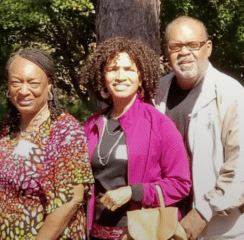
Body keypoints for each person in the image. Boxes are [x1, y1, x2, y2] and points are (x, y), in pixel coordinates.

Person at [155, 16, 244, 239]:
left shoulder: (234, 97)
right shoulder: (157, 91)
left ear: (208, 48)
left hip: (225, 230)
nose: (184, 52)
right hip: (168, 226)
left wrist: (204, 212)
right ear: (166, 51)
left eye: (193, 45)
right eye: (176, 46)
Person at [81, 37, 192, 240]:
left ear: (141, 78)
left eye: (129, 69)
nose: (120, 76)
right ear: (103, 77)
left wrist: (134, 192)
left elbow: (181, 183)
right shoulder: (92, 124)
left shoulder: (159, 124)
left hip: (141, 232)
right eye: (113, 69)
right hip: (95, 233)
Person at [0, 47, 94, 240]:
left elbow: (71, 199)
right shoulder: (8, 130)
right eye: (16, 83)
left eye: (33, 83)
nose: (24, 91)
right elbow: (0, 199)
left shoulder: (64, 131)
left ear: (49, 85)